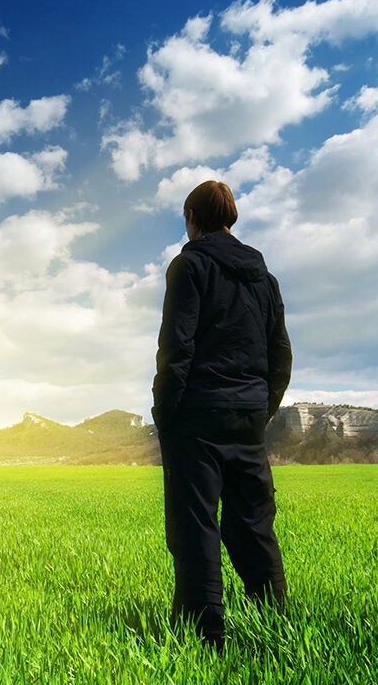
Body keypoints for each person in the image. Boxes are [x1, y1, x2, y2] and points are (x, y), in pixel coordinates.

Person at [152, 180, 292, 651]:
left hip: (198, 417)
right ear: (230, 219)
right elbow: (280, 353)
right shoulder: (264, 278)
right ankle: (274, 624)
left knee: (195, 527)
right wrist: (260, 409)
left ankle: (205, 635)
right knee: (254, 524)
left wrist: (165, 416)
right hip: (248, 416)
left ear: (193, 217)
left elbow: (176, 348)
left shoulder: (189, 265)